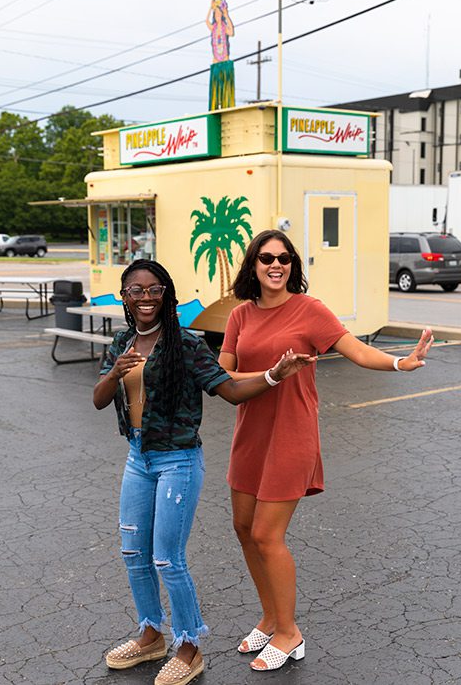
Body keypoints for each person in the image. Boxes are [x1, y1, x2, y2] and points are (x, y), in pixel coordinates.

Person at [218, 229, 434, 672]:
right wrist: (275, 372)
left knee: (266, 535)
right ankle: (269, 617)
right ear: (253, 267)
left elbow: (355, 350)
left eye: (284, 258)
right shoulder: (240, 315)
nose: (275, 265)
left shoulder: (309, 311)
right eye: (266, 258)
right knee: (243, 528)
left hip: (291, 436)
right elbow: (225, 373)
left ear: (293, 265)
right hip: (250, 436)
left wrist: (400, 362)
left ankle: (288, 632)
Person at [93, 258, 313, 685]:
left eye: (154, 289)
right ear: (124, 297)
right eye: (136, 291)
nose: (146, 298)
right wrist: (115, 373)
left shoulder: (187, 345)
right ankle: (151, 634)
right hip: (138, 458)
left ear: (166, 294)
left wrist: (273, 375)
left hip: (177, 459)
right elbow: (100, 399)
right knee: (133, 554)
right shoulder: (121, 342)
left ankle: (189, 647)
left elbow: (229, 390)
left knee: (166, 558)